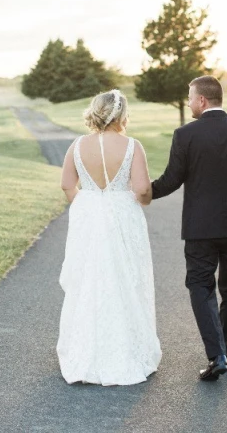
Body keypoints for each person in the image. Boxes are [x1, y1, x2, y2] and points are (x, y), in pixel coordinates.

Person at [145, 75, 227, 382]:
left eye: (189, 97)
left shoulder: (186, 135)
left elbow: (172, 179)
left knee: (200, 286)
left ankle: (217, 355)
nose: (188, 102)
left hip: (201, 229)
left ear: (201, 100)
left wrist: (143, 192)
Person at [56, 88, 162, 385]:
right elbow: (141, 189)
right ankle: (126, 349)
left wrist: (85, 205)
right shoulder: (132, 146)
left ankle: (85, 349)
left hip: (88, 215)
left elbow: (67, 184)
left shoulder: (77, 146)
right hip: (122, 214)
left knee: (89, 278)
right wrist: (143, 201)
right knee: (125, 277)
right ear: (122, 115)